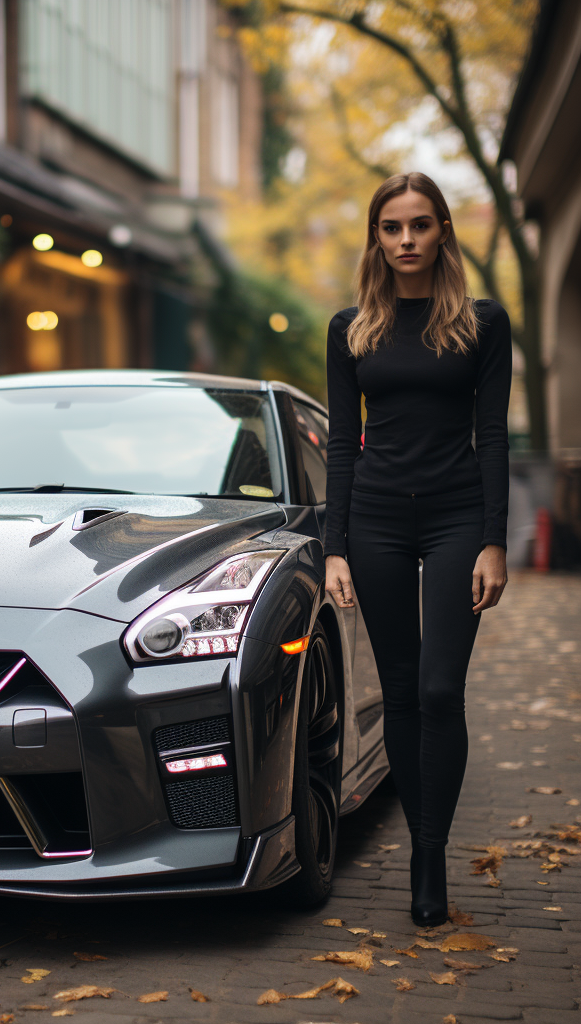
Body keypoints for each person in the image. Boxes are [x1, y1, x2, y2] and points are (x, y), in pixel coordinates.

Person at [324, 172, 511, 927]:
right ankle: (418, 854)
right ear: (376, 237)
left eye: (421, 225)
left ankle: (431, 851)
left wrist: (495, 540)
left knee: (440, 690)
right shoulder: (351, 328)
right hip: (374, 520)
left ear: (442, 233)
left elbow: (492, 434)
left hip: (457, 515)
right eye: (392, 227)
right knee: (399, 689)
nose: (406, 240)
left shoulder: (481, 323)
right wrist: (334, 546)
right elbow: (341, 442)